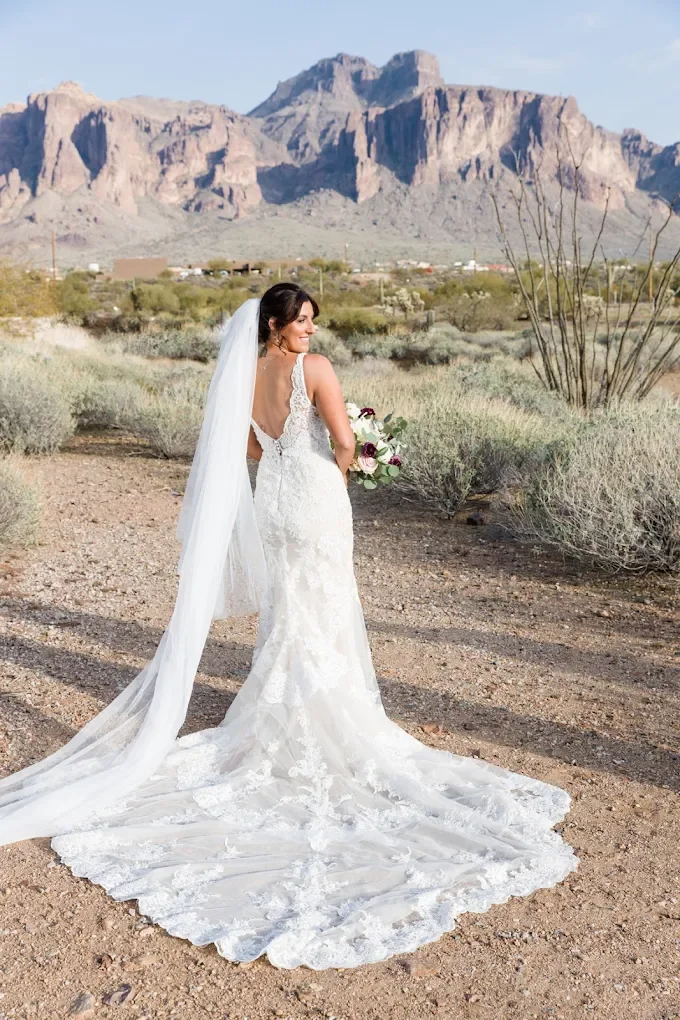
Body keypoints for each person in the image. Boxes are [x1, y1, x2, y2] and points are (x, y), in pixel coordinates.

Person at [0, 284, 577, 970]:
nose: (308, 330)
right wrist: (349, 463)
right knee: (324, 603)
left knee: (290, 607)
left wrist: (286, 457)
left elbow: (244, 442)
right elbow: (340, 440)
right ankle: (328, 710)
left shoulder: (245, 373)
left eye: (311, 323)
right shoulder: (318, 370)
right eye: (299, 322)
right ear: (275, 326)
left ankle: (284, 699)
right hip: (310, 493)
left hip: (269, 497)